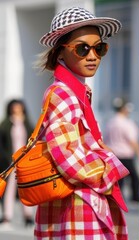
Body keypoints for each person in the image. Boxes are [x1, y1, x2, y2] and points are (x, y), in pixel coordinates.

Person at [35, 7, 129, 239]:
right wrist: (106, 172)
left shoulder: (76, 91)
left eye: (100, 48)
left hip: (79, 201)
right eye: (82, 48)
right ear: (60, 53)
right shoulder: (63, 93)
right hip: (78, 204)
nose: (92, 55)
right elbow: (64, 153)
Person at [0, 99, 34, 228]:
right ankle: (7, 216)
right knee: (9, 189)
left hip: (24, 161)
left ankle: (28, 216)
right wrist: (6, 159)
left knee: (26, 189)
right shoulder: (6, 124)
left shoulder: (27, 124)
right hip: (10, 162)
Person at [105, 98, 139, 203]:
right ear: (124, 109)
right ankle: (135, 198)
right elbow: (132, 141)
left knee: (119, 180)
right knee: (134, 177)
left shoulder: (110, 123)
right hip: (126, 155)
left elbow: (105, 140)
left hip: (114, 155)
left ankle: (119, 199)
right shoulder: (127, 123)